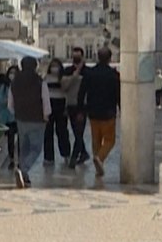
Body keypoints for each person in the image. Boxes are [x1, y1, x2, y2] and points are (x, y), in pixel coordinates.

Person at [8, 56, 51, 189]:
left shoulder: (14, 82)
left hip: (21, 118)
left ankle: (23, 175)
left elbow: (10, 103)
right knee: (36, 148)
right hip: (37, 119)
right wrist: (46, 115)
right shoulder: (39, 81)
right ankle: (24, 169)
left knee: (24, 147)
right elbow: (45, 100)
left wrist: (15, 113)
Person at [77, 47, 121, 178]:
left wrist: (80, 110)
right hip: (108, 112)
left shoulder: (90, 73)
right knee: (110, 140)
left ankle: (98, 166)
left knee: (96, 140)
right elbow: (118, 94)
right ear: (110, 58)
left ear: (97, 57)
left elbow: (81, 92)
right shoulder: (113, 75)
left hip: (93, 112)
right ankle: (100, 158)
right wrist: (121, 108)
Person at [63, 47, 90, 168]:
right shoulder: (67, 70)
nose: (76, 59)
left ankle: (74, 158)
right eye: (74, 56)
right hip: (71, 104)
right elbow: (65, 87)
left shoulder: (88, 71)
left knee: (79, 132)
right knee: (76, 132)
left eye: (78, 56)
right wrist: (75, 74)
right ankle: (83, 153)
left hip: (83, 106)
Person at [43, 58, 70, 165]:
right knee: (48, 133)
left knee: (62, 132)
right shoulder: (46, 78)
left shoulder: (63, 78)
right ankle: (48, 157)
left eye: (56, 66)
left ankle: (66, 154)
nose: (54, 68)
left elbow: (67, 93)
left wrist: (66, 108)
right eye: (53, 66)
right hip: (49, 105)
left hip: (61, 105)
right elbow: (44, 94)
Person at [0, 67, 20, 169]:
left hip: (19, 116)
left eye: (14, 73)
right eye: (11, 73)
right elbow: (0, 99)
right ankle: (11, 159)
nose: (12, 75)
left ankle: (20, 159)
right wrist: (8, 100)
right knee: (10, 139)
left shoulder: (21, 86)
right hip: (8, 117)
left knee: (21, 140)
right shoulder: (4, 87)